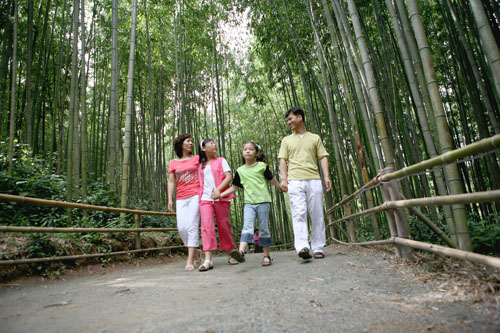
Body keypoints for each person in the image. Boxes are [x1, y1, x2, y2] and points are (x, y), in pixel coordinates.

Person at [212, 142, 280, 266]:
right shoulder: (240, 170)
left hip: (263, 201)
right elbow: (234, 187)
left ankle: (266, 256)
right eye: (245, 149)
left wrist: (280, 186)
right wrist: (220, 195)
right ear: (242, 153)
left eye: (251, 149)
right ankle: (241, 252)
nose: (247, 151)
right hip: (249, 203)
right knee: (247, 227)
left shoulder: (262, 166)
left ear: (256, 153)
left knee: (263, 228)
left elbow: (271, 179)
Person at [278, 107, 332, 260]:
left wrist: (326, 177)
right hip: (295, 180)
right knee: (299, 213)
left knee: (317, 214)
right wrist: (284, 179)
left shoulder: (315, 138)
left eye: (290, 119)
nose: (289, 122)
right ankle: (302, 246)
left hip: (314, 179)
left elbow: (323, 157)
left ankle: (318, 247)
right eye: (287, 120)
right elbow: (283, 160)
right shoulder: (286, 140)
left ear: (300, 117)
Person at [197, 138, 238, 271]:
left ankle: (231, 252)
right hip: (205, 198)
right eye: (211, 143)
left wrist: (218, 190)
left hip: (221, 197)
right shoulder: (200, 165)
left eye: (215, 143)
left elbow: (229, 177)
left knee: (223, 225)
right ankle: (208, 259)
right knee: (206, 226)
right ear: (203, 148)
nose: (214, 144)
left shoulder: (221, 160)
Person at [167, 133, 202, 271]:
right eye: (188, 141)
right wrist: (170, 199)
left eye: (192, 141)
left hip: (195, 194)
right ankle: (196, 252)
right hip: (180, 197)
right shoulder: (173, 162)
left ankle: (189, 260)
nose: (191, 143)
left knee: (192, 226)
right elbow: (171, 181)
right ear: (180, 144)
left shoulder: (197, 158)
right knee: (182, 228)